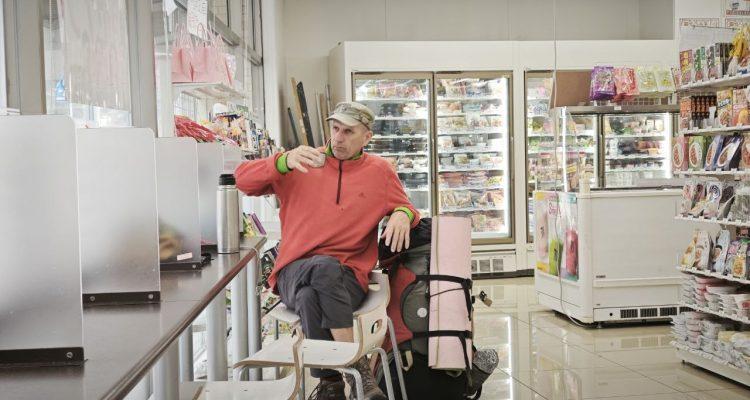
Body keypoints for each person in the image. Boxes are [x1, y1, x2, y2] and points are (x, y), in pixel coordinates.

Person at [234, 101, 420, 400]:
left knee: (311, 295)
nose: (338, 138)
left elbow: (408, 207)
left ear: (367, 137)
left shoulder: (380, 171)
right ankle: (357, 367)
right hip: (293, 272)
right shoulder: (301, 162)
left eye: (348, 131)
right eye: (335, 129)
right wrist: (282, 161)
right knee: (322, 267)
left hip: (349, 278)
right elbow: (242, 180)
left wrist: (402, 213)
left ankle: (331, 384)